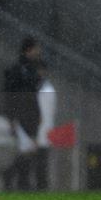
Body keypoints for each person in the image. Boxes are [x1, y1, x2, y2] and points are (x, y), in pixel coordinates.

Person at [1, 36, 42, 191]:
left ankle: (13, 175)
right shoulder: (19, 70)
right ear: (29, 50)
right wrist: (11, 116)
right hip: (22, 113)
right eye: (36, 49)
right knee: (28, 148)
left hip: (29, 113)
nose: (38, 52)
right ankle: (18, 179)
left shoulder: (30, 69)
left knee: (28, 149)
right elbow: (10, 94)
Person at [35, 62, 56, 190]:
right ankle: (39, 185)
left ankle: (41, 186)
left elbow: (45, 113)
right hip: (40, 130)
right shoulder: (40, 88)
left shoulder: (47, 89)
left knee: (41, 161)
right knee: (38, 161)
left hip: (43, 130)